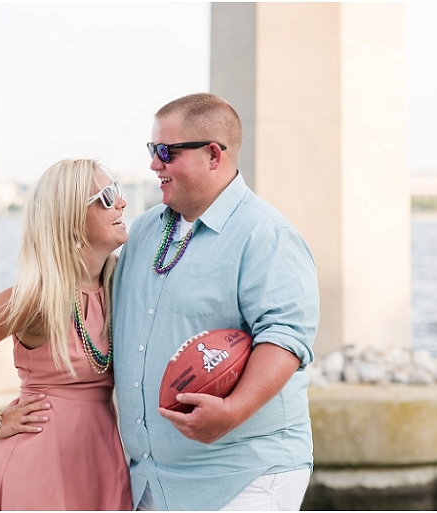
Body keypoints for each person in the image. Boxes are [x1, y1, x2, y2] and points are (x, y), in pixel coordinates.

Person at [112, 93, 320, 511]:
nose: (155, 164)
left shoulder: (266, 234)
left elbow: (286, 337)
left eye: (165, 152)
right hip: (151, 481)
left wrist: (232, 411)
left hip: (245, 476)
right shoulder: (145, 231)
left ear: (212, 155)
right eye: (152, 151)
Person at [0, 159, 133, 511]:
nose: (121, 202)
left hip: (99, 454)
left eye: (117, 190)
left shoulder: (120, 285)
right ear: (71, 217)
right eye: (105, 196)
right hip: (40, 461)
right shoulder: (38, 297)